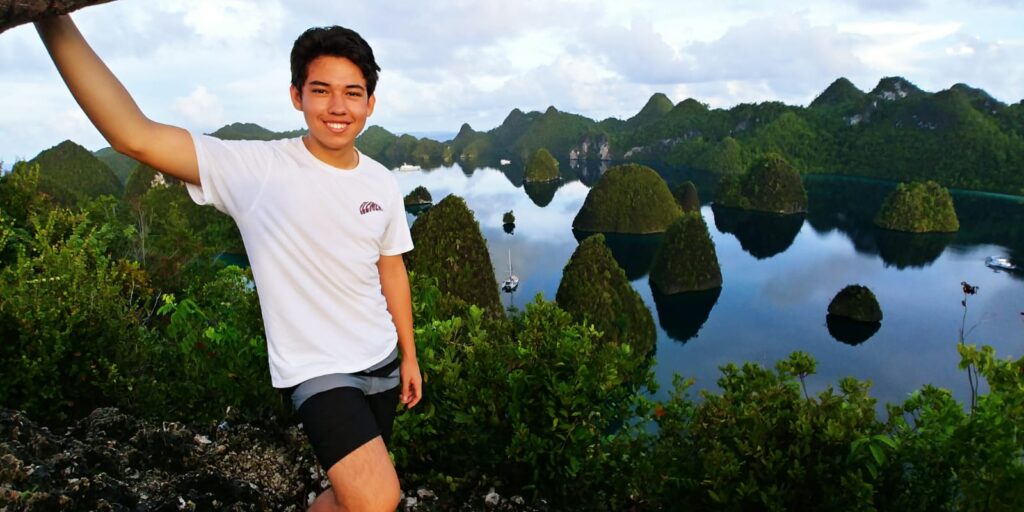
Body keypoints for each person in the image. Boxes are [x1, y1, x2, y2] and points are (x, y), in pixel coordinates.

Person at [35, 13, 420, 512]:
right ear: (296, 95)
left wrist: (408, 354)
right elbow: (136, 135)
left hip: (382, 361)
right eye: (321, 90)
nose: (337, 107)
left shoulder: (381, 181)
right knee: (376, 499)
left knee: (352, 497)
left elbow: (391, 268)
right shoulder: (259, 169)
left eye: (352, 92)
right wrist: (49, 18)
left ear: (370, 102)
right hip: (319, 370)